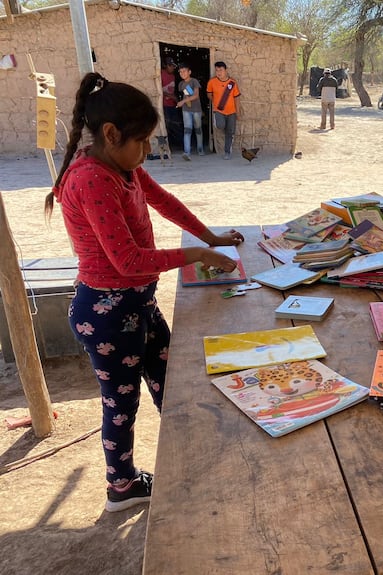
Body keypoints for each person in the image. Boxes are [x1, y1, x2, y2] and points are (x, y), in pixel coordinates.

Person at [43, 72, 244, 512]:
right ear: (112, 135)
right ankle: (122, 486)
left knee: (170, 383)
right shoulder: (92, 179)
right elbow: (128, 262)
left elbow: (165, 202)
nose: (148, 150)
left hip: (136, 304)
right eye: (143, 141)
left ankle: (189, 456)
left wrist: (210, 237)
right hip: (107, 312)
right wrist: (196, 255)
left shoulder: (122, 166)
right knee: (121, 405)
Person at [206, 61, 240, 159]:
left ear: (226, 70)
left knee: (230, 132)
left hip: (231, 112)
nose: (219, 72)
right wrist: (215, 101)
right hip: (219, 110)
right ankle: (216, 120)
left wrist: (237, 112)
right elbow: (209, 94)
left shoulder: (232, 83)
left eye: (221, 70)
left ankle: (227, 152)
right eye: (217, 70)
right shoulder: (212, 82)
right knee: (220, 125)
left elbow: (237, 98)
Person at [176, 62, 205, 160]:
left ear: (189, 72)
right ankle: (187, 152)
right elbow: (187, 95)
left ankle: (200, 149)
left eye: (184, 71)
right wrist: (183, 101)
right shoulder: (181, 84)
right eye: (180, 72)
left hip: (196, 109)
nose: (182, 73)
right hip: (186, 110)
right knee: (187, 130)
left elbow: (196, 95)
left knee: (198, 130)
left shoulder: (194, 81)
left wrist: (183, 101)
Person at [160, 57, 181, 148]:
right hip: (164, 105)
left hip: (172, 105)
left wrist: (176, 100)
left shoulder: (173, 76)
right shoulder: (160, 74)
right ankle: (165, 147)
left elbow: (173, 90)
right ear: (165, 65)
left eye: (173, 66)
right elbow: (158, 89)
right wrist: (173, 97)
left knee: (176, 125)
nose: (172, 68)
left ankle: (183, 145)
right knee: (165, 126)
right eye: (170, 66)